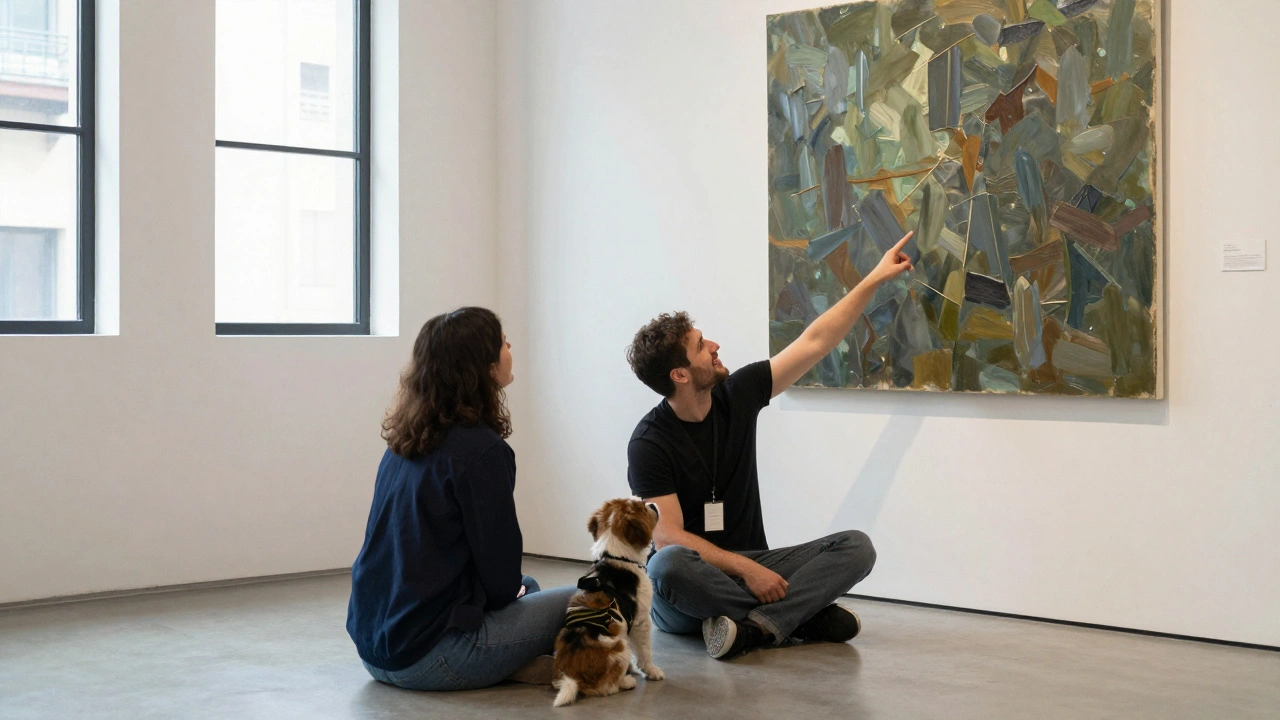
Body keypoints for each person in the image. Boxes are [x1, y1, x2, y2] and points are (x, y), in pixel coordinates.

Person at [625, 232, 915, 659]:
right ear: (680, 375)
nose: (714, 345)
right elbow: (668, 537)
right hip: (687, 590)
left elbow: (816, 341)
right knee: (665, 565)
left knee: (856, 547)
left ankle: (755, 626)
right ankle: (797, 616)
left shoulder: (737, 394)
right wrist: (747, 570)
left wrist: (873, 278)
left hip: (755, 563)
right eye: (701, 345)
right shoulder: (649, 441)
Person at [347, 307, 574, 690]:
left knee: (530, 585)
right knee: (589, 595)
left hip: (375, 651)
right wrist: (505, 592)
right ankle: (502, 663)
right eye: (503, 342)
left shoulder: (404, 442)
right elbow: (502, 581)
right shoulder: (482, 452)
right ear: (482, 367)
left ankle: (510, 663)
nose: (510, 347)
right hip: (433, 658)